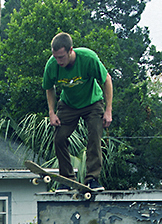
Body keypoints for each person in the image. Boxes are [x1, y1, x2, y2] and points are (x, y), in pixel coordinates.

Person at [42, 32, 113, 191]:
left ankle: (92, 179)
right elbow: (49, 88)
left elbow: (107, 79)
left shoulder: (88, 58)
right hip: (68, 105)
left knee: (94, 136)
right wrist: (52, 113)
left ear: (70, 50)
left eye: (61, 57)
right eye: (55, 57)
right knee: (59, 138)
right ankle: (67, 178)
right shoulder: (52, 65)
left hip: (92, 102)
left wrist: (108, 110)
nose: (58, 61)